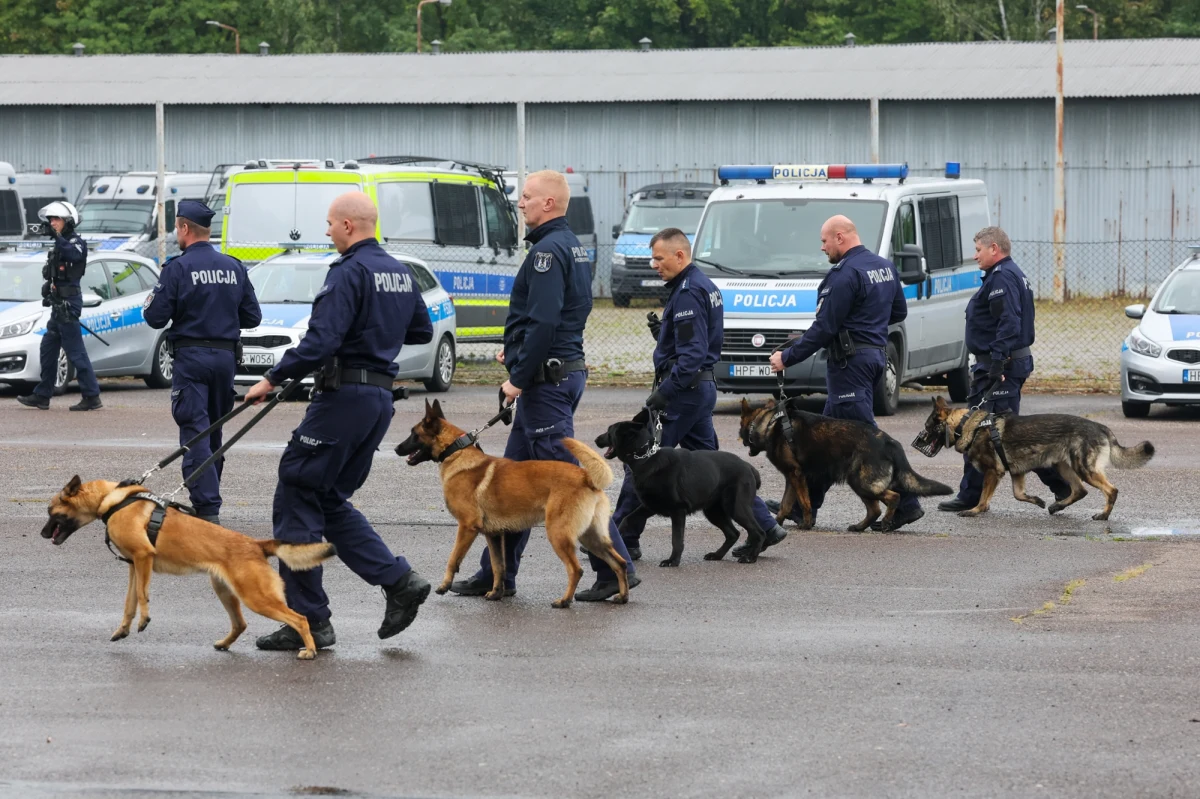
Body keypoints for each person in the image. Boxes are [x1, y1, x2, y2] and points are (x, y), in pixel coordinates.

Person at [245, 190, 434, 652]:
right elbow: (421, 330)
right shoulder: (398, 271)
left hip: (343, 399)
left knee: (297, 492)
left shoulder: (349, 271)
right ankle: (399, 581)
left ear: (348, 225)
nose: (327, 231)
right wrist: (376, 334)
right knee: (326, 499)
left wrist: (271, 377)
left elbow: (322, 339)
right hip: (378, 400)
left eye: (330, 224)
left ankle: (308, 621)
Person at [449, 170, 639, 602]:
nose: (521, 203)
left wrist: (518, 377)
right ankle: (496, 575)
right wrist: (518, 353)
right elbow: (560, 316)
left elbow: (545, 321)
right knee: (509, 486)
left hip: (546, 382)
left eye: (527, 197)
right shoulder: (569, 245)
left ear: (548, 203)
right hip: (557, 371)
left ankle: (614, 568)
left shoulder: (547, 252)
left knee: (572, 482)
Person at [617, 227, 787, 560]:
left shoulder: (688, 292)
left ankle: (622, 538)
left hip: (683, 392)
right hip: (698, 389)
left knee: (642, 462)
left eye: (659, 258)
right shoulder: (703, 285)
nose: (654, 264)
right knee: (715, 466)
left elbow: (693, 354)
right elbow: (695, 341)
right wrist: (663, 335)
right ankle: (766, 526)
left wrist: (666, 391)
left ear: (680, 255)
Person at [767, 215, 924, 530]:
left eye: (824, 241)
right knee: (823, 442)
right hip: (873, 358)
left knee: (866, 440)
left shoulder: (844, 274)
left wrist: (787, 357)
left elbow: (824, 328)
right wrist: (868, 324)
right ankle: (801, 506)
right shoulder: (884, 267)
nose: (822, 247)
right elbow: (899, 311)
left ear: (840, 237)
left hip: (849, 365)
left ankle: (907, 504)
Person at [937, 226, 1071, 513]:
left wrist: (997, 362)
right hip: (1000, 364)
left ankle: (1060, 485)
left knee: (991, 433)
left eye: (978, 250)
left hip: (1001, 366)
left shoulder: (1002, 278)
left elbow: (1009, 322)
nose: (975, 256)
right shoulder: (1006, 274)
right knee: (996, 433)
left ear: (994, 249)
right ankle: (1059, 486)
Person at [143, 200, 261, 525]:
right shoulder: (234, 267)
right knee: (213, 433)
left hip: (192, 358)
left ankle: (208, 510)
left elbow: (154, 317)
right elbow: (253, 316)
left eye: (177, 229)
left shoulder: (177, 268)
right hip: (225, 359)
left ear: (184, 228)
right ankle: (208, 500)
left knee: (195, 432)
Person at [17, 201, 102, 412]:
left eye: (56, 219)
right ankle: (42, 395)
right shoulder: (60, 243)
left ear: (68, 221)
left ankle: (91, 396)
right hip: (58, 304)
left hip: (69, 303)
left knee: (75, 351)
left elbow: (73, 255)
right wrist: (50, 286)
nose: (52, 223)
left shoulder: (76, 242)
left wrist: (57, 237)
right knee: (48, 348)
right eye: (51, 220)